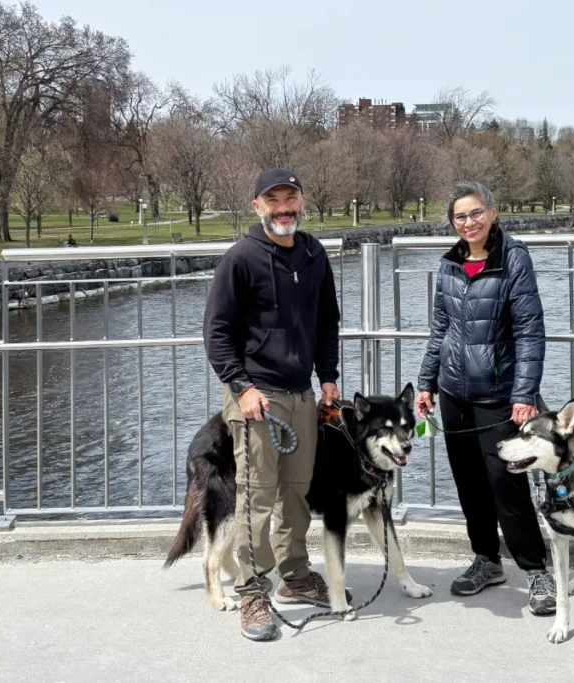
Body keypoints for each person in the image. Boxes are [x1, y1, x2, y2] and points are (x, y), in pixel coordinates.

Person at [203, 168, 342, 642]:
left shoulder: (313, 253)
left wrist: (328, 378)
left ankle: (296, 577)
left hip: (302, 392)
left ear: (302, 201)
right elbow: (217, 334)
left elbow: (327, 322)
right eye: (273, 200)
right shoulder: (240, 259)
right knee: (256, 496)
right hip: (256, 395)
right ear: (257, 206)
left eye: (291, 199)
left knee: (296, 492)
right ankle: (251, 590)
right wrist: (241, 387)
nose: (283, 208)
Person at [415, 181, 556, 615]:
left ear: (493, 212)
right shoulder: (450, 265)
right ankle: (487, 560)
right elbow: (441, 329)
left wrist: (524, 393)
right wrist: (426, 383)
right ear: (452, 223)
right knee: (470, 485)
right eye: (460, 216)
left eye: (476, 213)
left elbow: (530, 331)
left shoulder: (514, 259)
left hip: (499, 395)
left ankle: (536, 571)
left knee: (506, 484)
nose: (469, 222)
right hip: (455, 393)